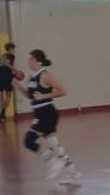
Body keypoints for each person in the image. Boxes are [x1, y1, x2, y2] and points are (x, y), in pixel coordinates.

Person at [21, 50, 80, 185]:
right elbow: (30, 96)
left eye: (31, 59)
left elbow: (62, 91)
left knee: (28, 141)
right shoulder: (32, 77)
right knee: (55, 145)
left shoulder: (45, 75)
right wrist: (17, 86)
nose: (28, 62)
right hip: (39, 113)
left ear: (38, 61)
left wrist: (44, 96)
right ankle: (72, 173)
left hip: (47, 113)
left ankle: (52, 160)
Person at [0, 41, 19, 121]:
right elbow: (7, 63)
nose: (14, 50)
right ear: (10, 49)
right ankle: (2, 114)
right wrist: (15, 70)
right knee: (8, 95)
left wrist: (10, 70)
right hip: (6, 77)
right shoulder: (11, 55)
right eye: (13, 49)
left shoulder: (3, 56)